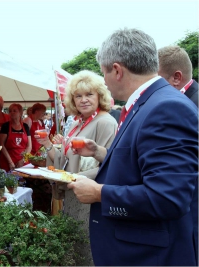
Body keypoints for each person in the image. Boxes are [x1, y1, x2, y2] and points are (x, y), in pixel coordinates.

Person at [67, 28, 198, 266]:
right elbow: (141, 164)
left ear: (116, 70)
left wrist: (99, 193)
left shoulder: (165, 108)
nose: (104, 81)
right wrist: (99, 152)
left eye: (103, 73)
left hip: (149, 257)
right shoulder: (149, 103)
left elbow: (167, 197)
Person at [35, 70, 117, 265]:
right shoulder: (77, 124)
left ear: (100, 95)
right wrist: (48, 145)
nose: (84, 100)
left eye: (89, 94)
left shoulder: (105, 122)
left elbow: (109, 167)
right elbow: (63, 163)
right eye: (78, 96)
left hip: (89, 201)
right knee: (73, 247)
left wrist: (70, 178)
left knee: (85, 249)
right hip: (73, 196)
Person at [0, 103, 31, 171]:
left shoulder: (25, 126)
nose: (11, 113)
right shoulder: (5, 126)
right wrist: (10, 162)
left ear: (20, 113)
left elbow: (29, 146)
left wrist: (23, 160)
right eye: (10, 111)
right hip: (7, 160)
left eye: (14, 111)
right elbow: (1, 145)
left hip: (22, 161)